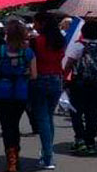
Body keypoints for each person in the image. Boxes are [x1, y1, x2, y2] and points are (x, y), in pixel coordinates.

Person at [0, 20, 37, 172]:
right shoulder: (28, 53)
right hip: (20, 92)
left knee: (6, 125)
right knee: (14, 124)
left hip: (1, 92)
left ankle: (11, 159)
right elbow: (34, 75)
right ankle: (15, 155)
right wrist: (24, 72)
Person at [63, 17, 97, 156]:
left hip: (79, 83)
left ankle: (80, 138)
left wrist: (64, 79)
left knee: (76, 111)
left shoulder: (78, 45)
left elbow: (69, 64)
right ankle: (91, 142)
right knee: (92, 112)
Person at [29, 11, 66, 169]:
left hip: (40, 79)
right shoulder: (60, 41)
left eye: (36, 22)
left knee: (43, 118)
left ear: (42, 23)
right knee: (48, 117)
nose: (34, 25)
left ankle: (48, 156)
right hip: (56, 79)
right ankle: (46, 152)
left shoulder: (37, 41)